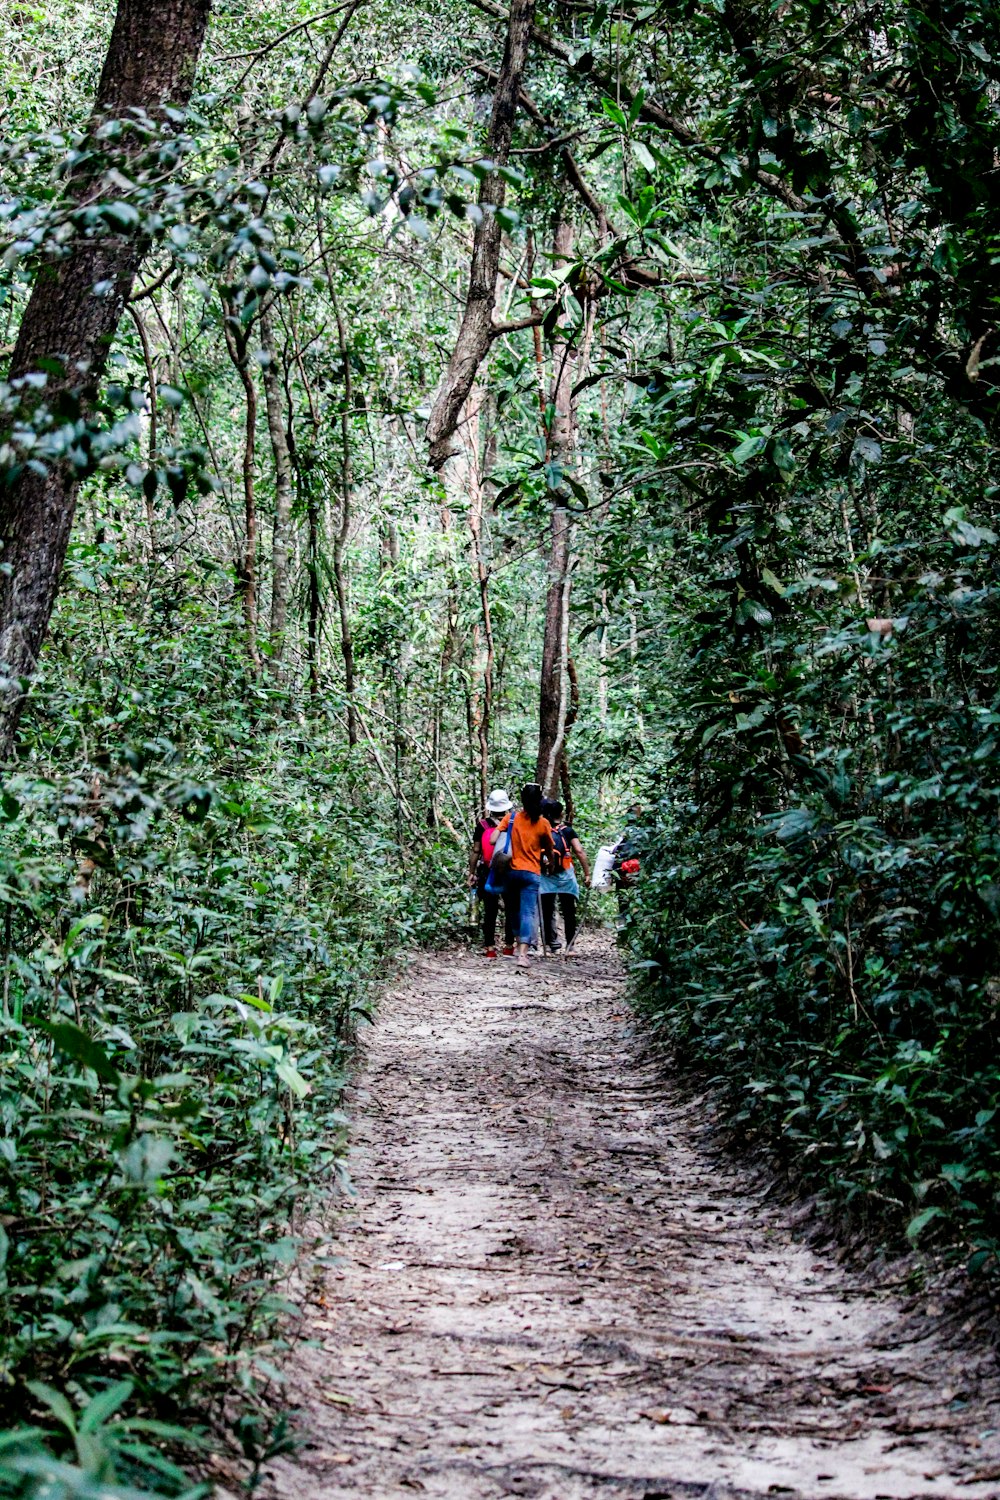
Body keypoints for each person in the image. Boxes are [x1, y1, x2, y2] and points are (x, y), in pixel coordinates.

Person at [492, 782, 554, 970]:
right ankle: (523, 954)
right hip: (531, 872)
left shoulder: (511, 818)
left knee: (513, 911)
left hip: (511, 870)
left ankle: (518, 944)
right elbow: (549, 848)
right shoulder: (543, 823)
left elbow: (493, 839)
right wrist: (549, 863)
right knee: (528, 912)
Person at [468, 788, 516, 958]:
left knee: (490, 910)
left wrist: (471, 872)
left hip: (487, 870)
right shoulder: (514, 823)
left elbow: (476, 850)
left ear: (490, 808)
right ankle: (509, 946)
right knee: (511, 908)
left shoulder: (482, 826)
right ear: (507, 807)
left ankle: (489, 948)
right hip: (511, 870)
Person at [539, 798, 590, 953]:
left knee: (547, 911)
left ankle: (549, 943)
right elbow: (579, 851)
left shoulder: (541, 829)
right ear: (561, 813)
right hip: (566, 875)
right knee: (569, 911)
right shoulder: (567, 830)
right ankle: (570, 944)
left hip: (546, 876)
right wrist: (587, 873)